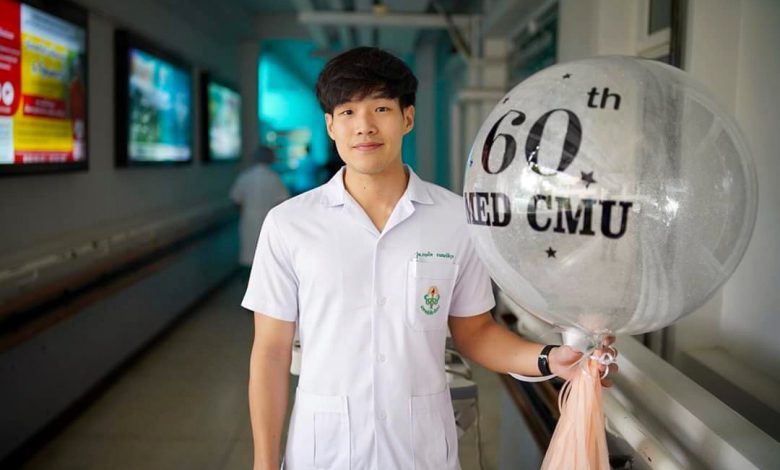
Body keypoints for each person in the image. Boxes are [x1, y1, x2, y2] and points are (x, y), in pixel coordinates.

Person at [243, 47, 617, 470]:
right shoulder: (290, 224)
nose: (364, 126)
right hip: (323, 452)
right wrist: (264, 463)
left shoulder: (455, 220)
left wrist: (548, 358)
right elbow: (271, 351)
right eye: (347, 112)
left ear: (407, 118)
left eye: (380, 108)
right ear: (330, 126)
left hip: (421, 452)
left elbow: (475, 332)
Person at [230, 146, 289, 282]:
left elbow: (235, 199)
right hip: (269, 224)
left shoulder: (245, 177)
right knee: (268, 262)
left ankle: (247, 290)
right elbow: (283, 203)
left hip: (248, 222)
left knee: (248, 258)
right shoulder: (274, 178)